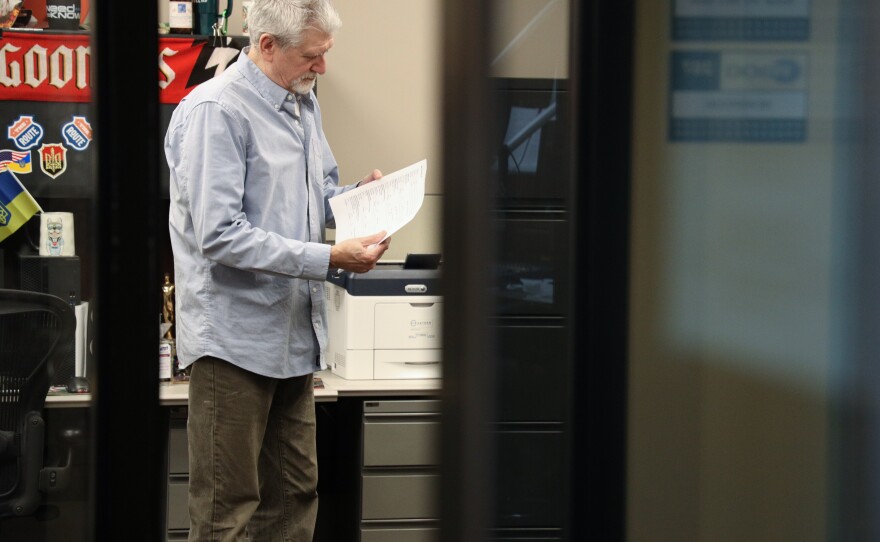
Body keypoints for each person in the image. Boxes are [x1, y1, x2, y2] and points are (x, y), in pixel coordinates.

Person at [164, 0, 390, 539]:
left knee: (293, 498)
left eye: (325, 53)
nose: (322, 67)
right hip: (233, 345)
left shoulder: (302, 103)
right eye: (312, 55)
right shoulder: (217, 111)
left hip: (291, 338)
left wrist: (362, 201)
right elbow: (219, 234)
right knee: (226, 510)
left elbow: (316, 198)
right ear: (267, 45)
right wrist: (329, 258)